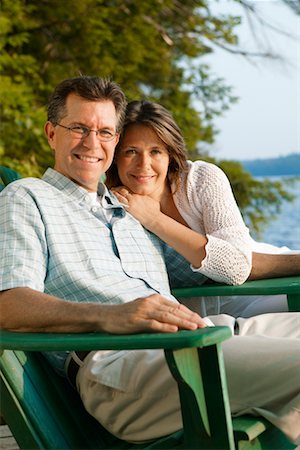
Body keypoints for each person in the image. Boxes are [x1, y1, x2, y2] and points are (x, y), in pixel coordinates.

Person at [0, 77, 299, 446]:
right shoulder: (27, 198)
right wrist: (110, 316)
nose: (93, 143)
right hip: (124, 368)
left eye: (106, 132)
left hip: (203, 336)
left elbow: (223, 267)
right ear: (51, 133)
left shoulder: (126, 208)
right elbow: (8, 304)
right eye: (79, 128)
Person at [106, 99, 300, 317]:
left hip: (257, 290)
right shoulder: (108, 206)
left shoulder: (200, 180)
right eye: (131, 151)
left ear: (170, 155)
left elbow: (236, 266)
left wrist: (154, 219)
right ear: (115, 157)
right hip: (194, 316)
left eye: (156, 151)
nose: (144, 164)